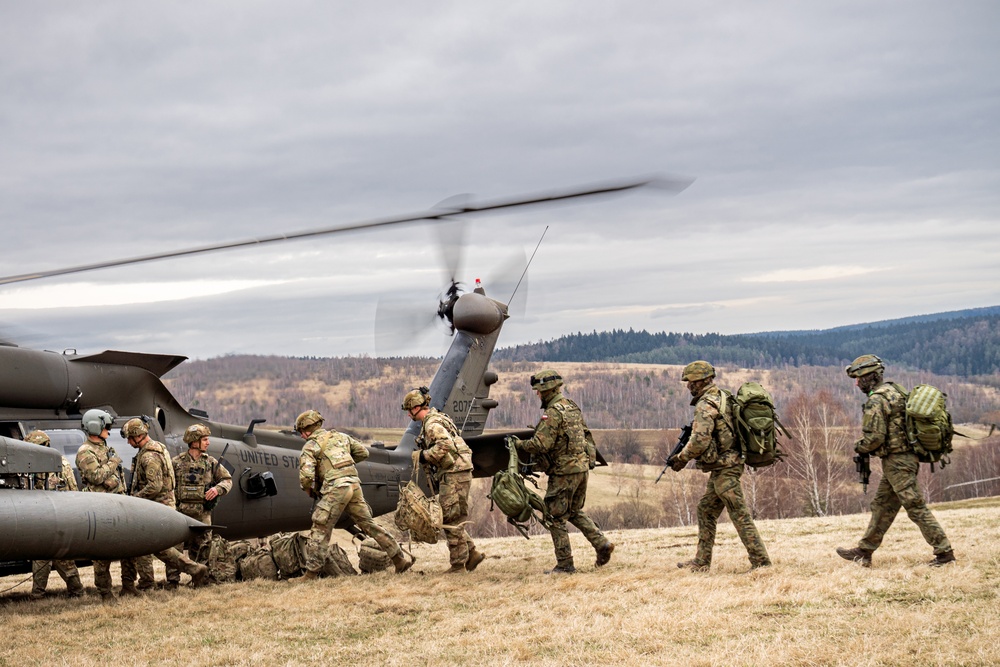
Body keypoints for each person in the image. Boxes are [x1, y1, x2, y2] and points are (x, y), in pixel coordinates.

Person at [836, 355, 955, 567]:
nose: (856, 383)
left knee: (914, 505)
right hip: (902, 459)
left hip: (898, 461)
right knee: (882, 505)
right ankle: (864, 550)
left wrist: (859, 446)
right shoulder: (895, 390)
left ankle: (944, 553)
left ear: (869, 378)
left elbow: (875, 438)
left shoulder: (877, 399)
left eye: (858, 378)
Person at [508, 370, 614, 574]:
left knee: (554, 517)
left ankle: (565, 564)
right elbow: (587, 436)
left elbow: (541, 444)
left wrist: (518, 444)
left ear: (547, 390)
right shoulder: (571, 407)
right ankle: (601, 544)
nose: (537, 395)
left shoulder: (553, 413)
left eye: (538, 391)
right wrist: (588, 461)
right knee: (573, 511)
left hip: (564, 472)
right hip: (581, 469)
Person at [670, 361, 771, 572]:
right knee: (706, 510)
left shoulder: (706, 405)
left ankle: (761, 562)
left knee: (738, 512)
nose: (688, 386)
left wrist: (681, 458)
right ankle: (701, 561)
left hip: (727, 467)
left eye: (691, 382)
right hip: (724, 466)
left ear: (701, 381)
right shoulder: (723, 396)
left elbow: (699, 441)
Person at [292, 410, 413, 580]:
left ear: (305, 430)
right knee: (368, 524)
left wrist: (309, 489)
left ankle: (311, 574)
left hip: (336, 488)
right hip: (353, 485)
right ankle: (399, 560)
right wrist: (343, 465)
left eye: (301, 433)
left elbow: (305, 477)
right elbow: (364, 453)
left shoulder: (310, 446)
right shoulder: (341, 437)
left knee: (321, 527)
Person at [402, 387, 486, 573]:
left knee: (449, 517)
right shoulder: (438, 418)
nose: (408, 414)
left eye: (409, 410)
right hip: (457, 471)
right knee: (451, 515)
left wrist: (424, 455)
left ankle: (458, 566)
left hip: (454, 473)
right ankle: (471, 554)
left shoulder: (432, 425)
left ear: (417, 407)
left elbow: (445, 445)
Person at [122, 418, 210, 588]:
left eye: (129, 438)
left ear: (137, 436)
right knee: (152, 546)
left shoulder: (149, 455)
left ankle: (192, 570)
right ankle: (151, 580)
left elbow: (154, 486)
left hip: (155, 507)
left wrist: (134, 499)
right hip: (160, 507)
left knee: (153, 547)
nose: (128, 442)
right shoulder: (158, 447)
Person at [75, 408, 145, 601]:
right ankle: (105, 592)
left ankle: (129, 585)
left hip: (118, 502)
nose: (109, 430)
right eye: (106, 426)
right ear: (95, 427)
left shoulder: (105, 447)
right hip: (101, 506)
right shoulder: (85, 451)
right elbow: (96, 476)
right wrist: (113, 463)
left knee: (129, 548)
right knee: (102, 554)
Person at [167, 423, 232, 588]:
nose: (208, 442)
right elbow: (168, 486)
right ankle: (173, 582)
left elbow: (227, 480)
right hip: (180, 513)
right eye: (204, 439)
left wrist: (218, 489)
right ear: (194, 442)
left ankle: (200, 579)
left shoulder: (211, 462)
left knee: (203, 548)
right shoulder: (176, 462)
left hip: (202, 514)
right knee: (175, 549)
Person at [24, 430, 85, 600]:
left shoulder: (61, 465)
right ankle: (38, 594)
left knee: (62, 558)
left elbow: (73, 491)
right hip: (41, 519)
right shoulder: (31, 467)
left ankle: (76, 590)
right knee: (41, 557)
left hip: (60, 519)